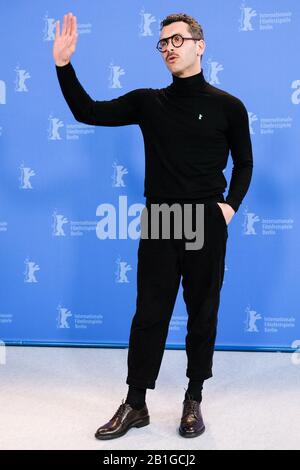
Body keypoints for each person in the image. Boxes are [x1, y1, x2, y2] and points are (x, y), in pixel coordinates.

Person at [53, 11, 253, 440]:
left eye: (177, 40)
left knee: (203, 312)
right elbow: (88, 111)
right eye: (162, 44)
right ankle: (136, 403)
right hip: (161, 218)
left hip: (206, 220)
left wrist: (228, 207)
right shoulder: (149, 101)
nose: (169, 49)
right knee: (149, 314)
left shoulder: (229, 106)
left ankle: (193, 398)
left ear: (200, 44)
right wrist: (64, 66)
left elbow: (245, 164)